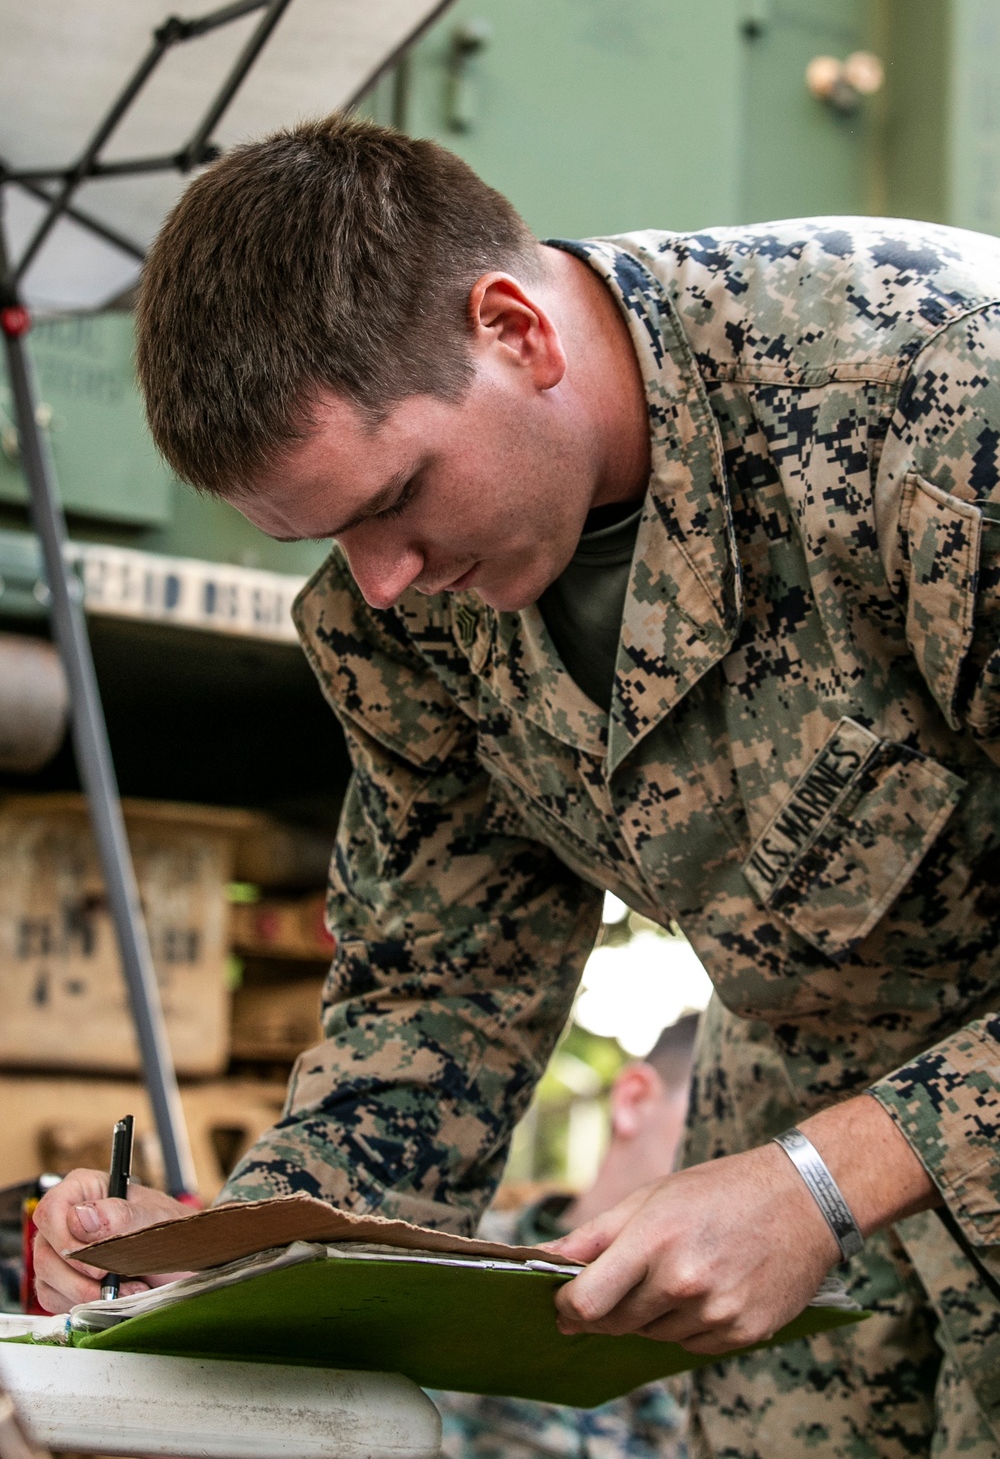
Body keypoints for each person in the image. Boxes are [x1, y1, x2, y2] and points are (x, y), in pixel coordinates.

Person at [30, 114, 1000, 1458]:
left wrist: (827, 1180)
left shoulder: (940, 402)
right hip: (796, 1150)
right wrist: (224, 1264)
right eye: (327, 542)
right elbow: (440, 993)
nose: (379, 580)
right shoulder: (400, 610)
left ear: (517, 332)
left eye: (394, 498)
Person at [431, 1014, 697, 1459]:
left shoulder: (766, 1313)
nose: (751, 1171)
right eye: (722, 1116)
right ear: (634, 1099)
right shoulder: (447, 1264)